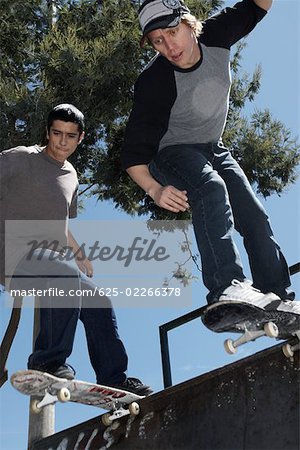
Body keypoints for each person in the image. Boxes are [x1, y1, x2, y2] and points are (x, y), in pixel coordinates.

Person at [121, 0, 300, 317]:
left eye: (173, 32)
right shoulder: (154, 81)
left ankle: (278, 299)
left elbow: (259, 5)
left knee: (254, 216)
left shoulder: (217, 32)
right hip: (171, 153)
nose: (169, 46)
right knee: (210, 187)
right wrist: (154, 189)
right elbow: (134, 154)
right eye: (158, 41)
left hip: (213, 147)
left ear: (189, 24)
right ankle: (227, 287)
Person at [0, 104, 152, 395]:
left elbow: (60, 222)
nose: (62, 141)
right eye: (57, 133)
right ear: (47, 132)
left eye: (70, 136)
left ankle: (113, 377)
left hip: (44, 260)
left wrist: (79, 253)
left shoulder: (71, 175)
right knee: (63, 274)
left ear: (80, 138)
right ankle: (47, 362)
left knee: (98, 298)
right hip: (9, 251)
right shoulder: (19, 158)